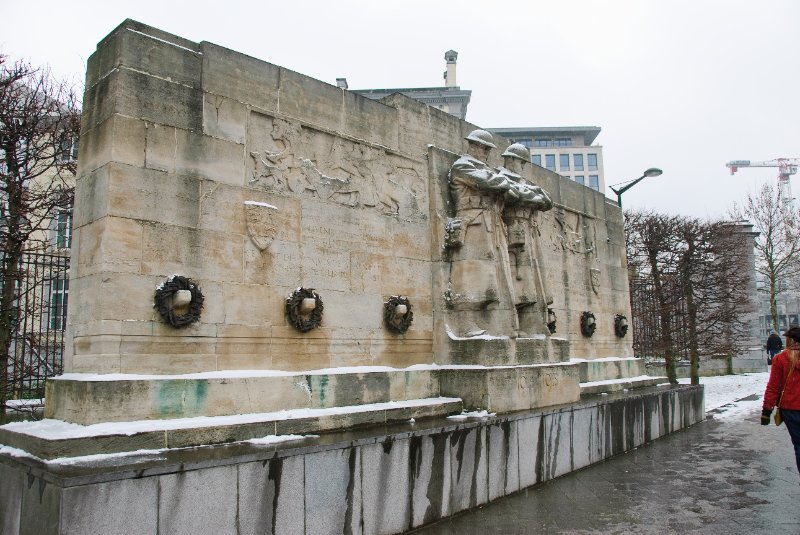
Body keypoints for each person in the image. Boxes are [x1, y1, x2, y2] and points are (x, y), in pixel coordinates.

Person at [448, 129, 514, 337]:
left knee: (489, 276)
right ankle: (464, 323)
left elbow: (508, 188)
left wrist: (502, 182)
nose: (486, 153)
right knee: (470, 275)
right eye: (484, 148)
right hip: (473, 221)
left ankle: (488, 323)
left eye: (488, 149)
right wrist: (501, 181)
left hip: (491, 223)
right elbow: (493, 183)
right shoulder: (462, 166)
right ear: (473, 146)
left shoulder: (486, 169)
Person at [498, 143, 553, 337]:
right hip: (511, 227)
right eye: (521, 162)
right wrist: (530, 196)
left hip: (529, 229)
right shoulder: (500, 176)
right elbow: (512, 195)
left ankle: (533, 323)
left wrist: (529, 196)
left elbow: (546, 200)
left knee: (532, 280)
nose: (521, 166)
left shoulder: (525, 181)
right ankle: (515, 323)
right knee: (517, 277)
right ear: (511, 159)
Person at [761, 326, 800, 476]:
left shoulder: (781, 359)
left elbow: (773, 386)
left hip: (790, 408)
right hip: (790, 408)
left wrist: (766, 411)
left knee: (798, 444)